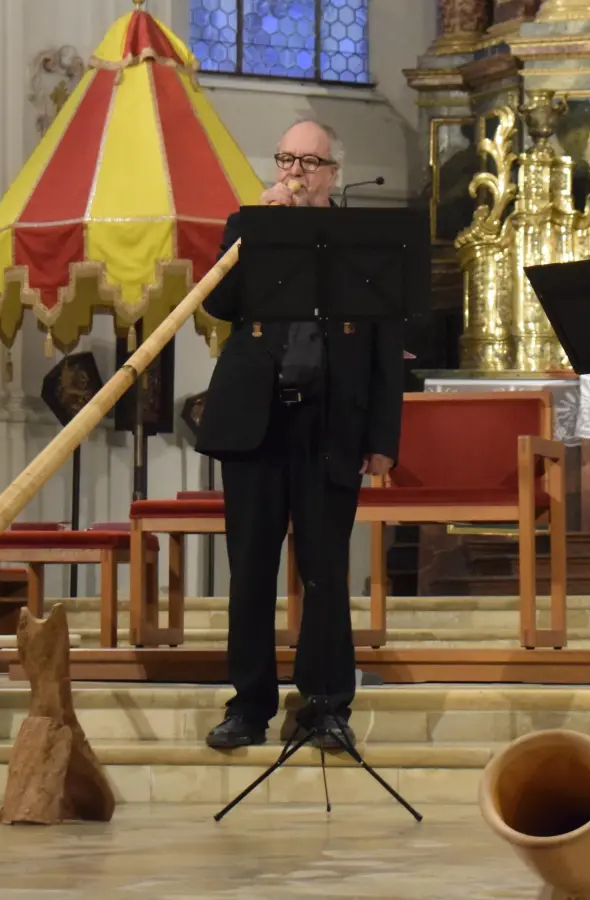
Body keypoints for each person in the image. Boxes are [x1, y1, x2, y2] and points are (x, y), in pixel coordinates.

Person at [195, 119, 405, 751]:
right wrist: (260, 230)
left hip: (331, 423)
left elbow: (385, 347)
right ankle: (249, 706)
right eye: (285, 159)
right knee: (251, 571)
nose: (294, 172)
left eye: (308, 162)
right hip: (254, 422)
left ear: (333, 173)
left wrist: (383, 437)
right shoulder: (247, 227)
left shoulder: (364, 242)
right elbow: (218, 304)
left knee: (324, 571)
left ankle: (326, 706)